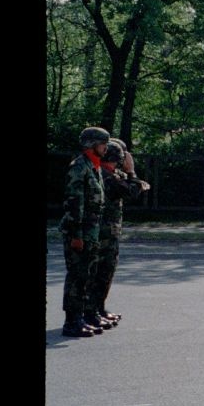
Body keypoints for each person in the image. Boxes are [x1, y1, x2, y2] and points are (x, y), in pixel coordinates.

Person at [89, 139, 149, 329]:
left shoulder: (111, 174)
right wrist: (132, 171)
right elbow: (132, 191)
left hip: (108, 232)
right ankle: (92, 312)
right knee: (99, 273)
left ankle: (98, 309)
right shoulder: (107, 176)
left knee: (105, 272)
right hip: (103, 233)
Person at [60, 127, 109, 338]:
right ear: (91, 144)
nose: (105, 147)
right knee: (77, 277)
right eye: (102, 143)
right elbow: (74, 203)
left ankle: (80, 317)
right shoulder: (79, 167)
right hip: (79, 231)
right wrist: (76, 235)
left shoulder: (93, 167)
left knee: (86, 275)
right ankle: (71, 322)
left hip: (91, 230)